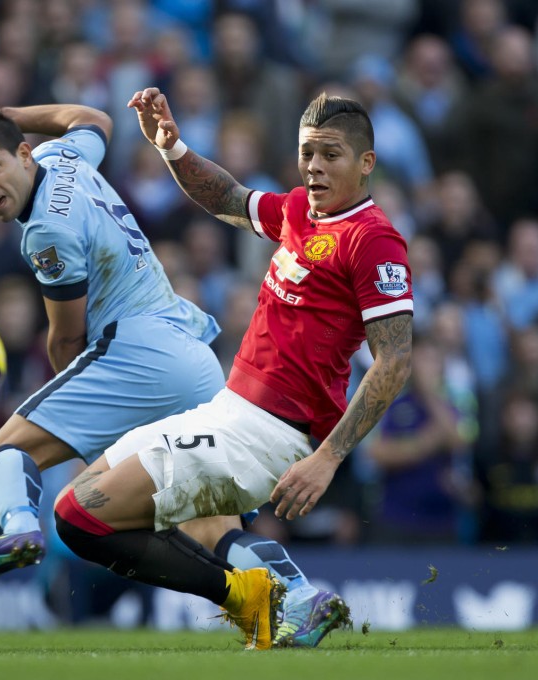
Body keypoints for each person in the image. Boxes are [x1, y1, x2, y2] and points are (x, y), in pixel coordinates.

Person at [0, 77, 321, 651]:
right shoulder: (60, 156)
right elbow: (92, 117)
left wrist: (70, 418)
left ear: (20, 154)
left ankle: (19, 531)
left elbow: (67, 340)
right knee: (208, 518)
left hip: (135, 354)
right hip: (192, 355)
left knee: (8, 453)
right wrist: (6, 113)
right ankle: (299, 595)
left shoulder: (45, 231)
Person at [48, 87, 414, 648]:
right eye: (307, 152)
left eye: (330, 155)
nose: (314, 167)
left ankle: (259, 603)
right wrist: (172, 148)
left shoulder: (373, 241)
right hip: (229, 411)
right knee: (202, 524)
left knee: (79, 516)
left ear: (366, 163)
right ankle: (294, 593)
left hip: (269, 431)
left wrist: (328, 458)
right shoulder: (300, 212)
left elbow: (395, 360)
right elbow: (228, 197)